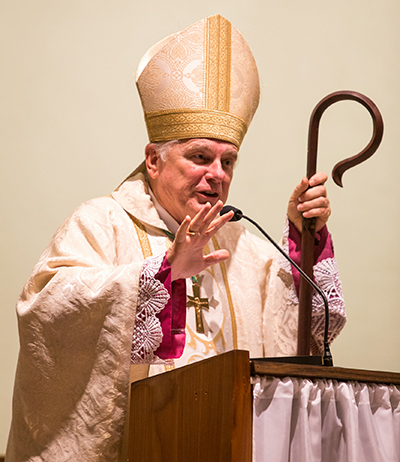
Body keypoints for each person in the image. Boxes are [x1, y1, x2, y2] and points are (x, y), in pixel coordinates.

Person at [6, 14, 346, 462]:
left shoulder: (244, 246)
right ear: (152, 160)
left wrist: (306, 241)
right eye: (200, 157)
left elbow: (301, 342)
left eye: (228, 163)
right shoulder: (100, 223)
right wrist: (160, 275)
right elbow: (46, 312)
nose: (216, 175)